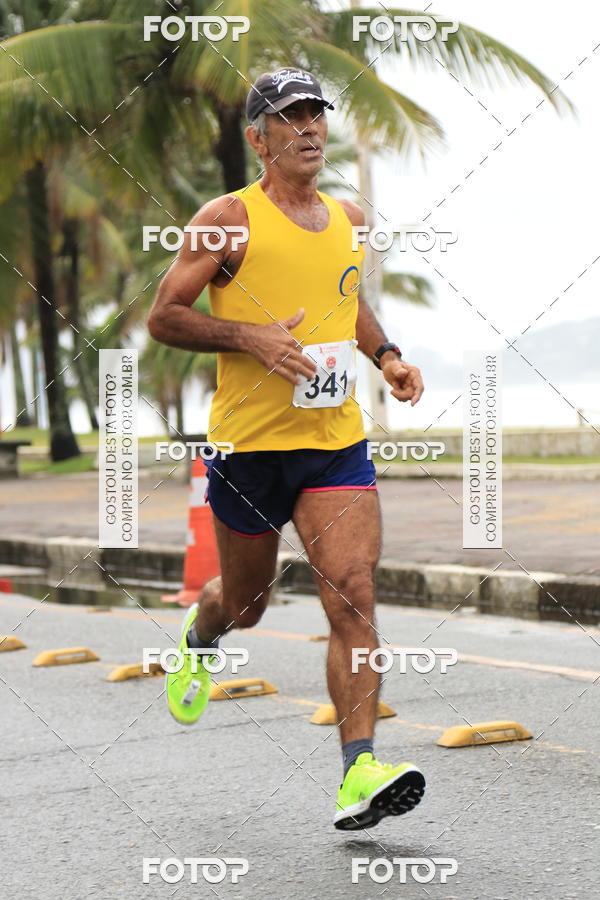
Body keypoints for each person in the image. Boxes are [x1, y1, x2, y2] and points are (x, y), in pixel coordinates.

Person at [148, 67, 425, 830]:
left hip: (334, 444)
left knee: (354, 592)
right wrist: (247, 336)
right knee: (248, 604)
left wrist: (388, 355)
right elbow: (163, 316)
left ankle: (359, 771)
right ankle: (202, 634)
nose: (308, 127)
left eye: (316, 114)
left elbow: (348, 299)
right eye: (289, 116)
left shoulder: (348, 216)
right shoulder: (226, 220)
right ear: (257, 137)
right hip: (250, 447)